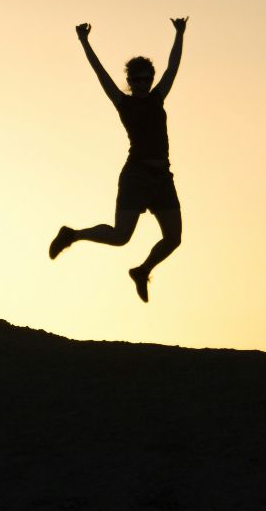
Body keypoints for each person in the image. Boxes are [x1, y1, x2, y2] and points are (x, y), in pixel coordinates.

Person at [50, 18, 188, 302]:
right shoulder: (123, 103)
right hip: (136, 175)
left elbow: (173, 67)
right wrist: (85, 42)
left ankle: (142, 271)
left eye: (145, 78)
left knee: (173, 238)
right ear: (129, 81)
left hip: (162, 178)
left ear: (151, 79)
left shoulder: (157, 97)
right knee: (121, 236)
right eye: (134, 79)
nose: (140, 84)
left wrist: (179, 34)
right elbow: (100, 73)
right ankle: (72, 234)